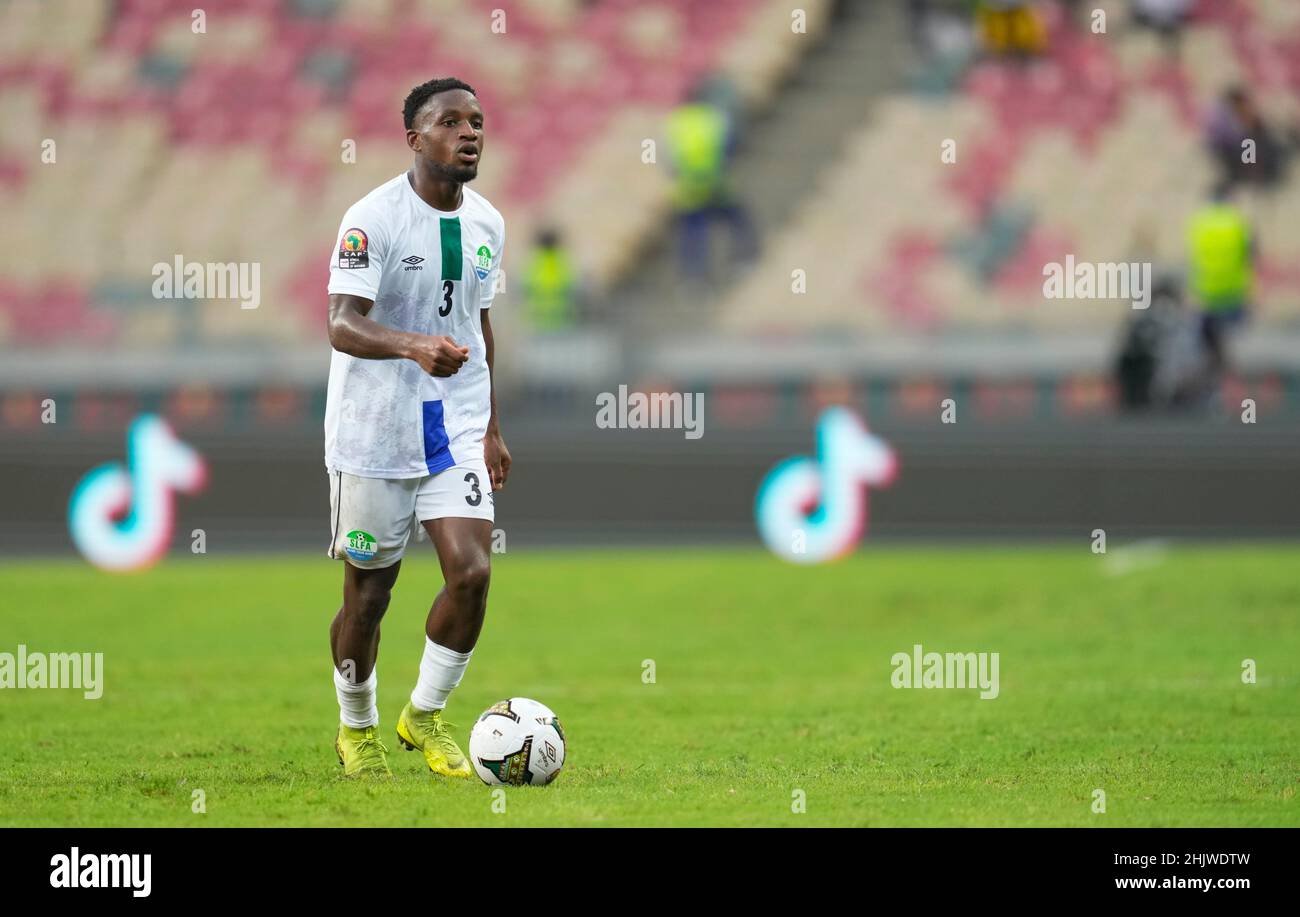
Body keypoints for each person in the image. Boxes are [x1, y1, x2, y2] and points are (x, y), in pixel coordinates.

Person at [323, 77, 510, 778]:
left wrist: (489, 425)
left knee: (472, 572)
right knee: (369, 597)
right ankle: (357, 725)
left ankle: (425, 715)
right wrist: (413, 345)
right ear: (414, 139)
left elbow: (480, 327)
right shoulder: (373, 218)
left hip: (451, 424)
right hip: (373, 429)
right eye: (451, 122)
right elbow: (340, 321)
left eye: (478, 122)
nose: (469, 133)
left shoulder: (488, 223)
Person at [666, 85, 757, 281]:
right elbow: (731, 144)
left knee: (694, 229)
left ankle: (694, 275)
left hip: (689, 188)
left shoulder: (677, 122)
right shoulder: (713, 118)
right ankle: (744, 258)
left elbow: (668, 159)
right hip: (715, 182)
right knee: (736, 218)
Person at [1186, 188, 1254, 392]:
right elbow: (1250, 253)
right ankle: (1233, 386)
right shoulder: (1238, 222)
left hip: (1207, 293)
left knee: (1210, 344)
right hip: (1234, 292)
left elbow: (1195, 256)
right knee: (1230, 341)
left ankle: (1215, 385)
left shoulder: (1200, 223)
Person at [522, 227, 579, 331]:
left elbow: (525, 288)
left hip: (538, 319)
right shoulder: (562, 261)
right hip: (561, 318)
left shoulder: (535, 262)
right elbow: (572, 287)